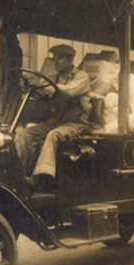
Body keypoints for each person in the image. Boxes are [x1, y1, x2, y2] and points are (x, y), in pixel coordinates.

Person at [15, 44, 91, 192]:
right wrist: (29, 86)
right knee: (24, 134)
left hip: (76, 124)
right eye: (54, 59)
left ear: (70, 60)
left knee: (52, 135)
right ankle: (18, 174)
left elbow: (68, 91)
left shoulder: (82, 77)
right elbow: (42, 93)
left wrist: (44, 86)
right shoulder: (52, 78)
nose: (55, 62)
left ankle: (41, 178)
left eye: (59, 59)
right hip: (55, 121)